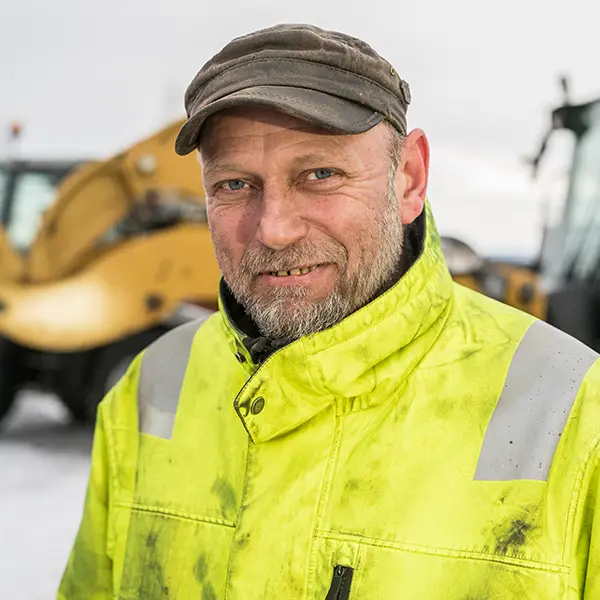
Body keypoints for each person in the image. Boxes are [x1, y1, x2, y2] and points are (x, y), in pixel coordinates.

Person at [58, 24, 600, 599]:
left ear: (410, 178)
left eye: (320, 175)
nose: (274, 229)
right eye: (235, 184)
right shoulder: (151, 389)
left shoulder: (576, 416)